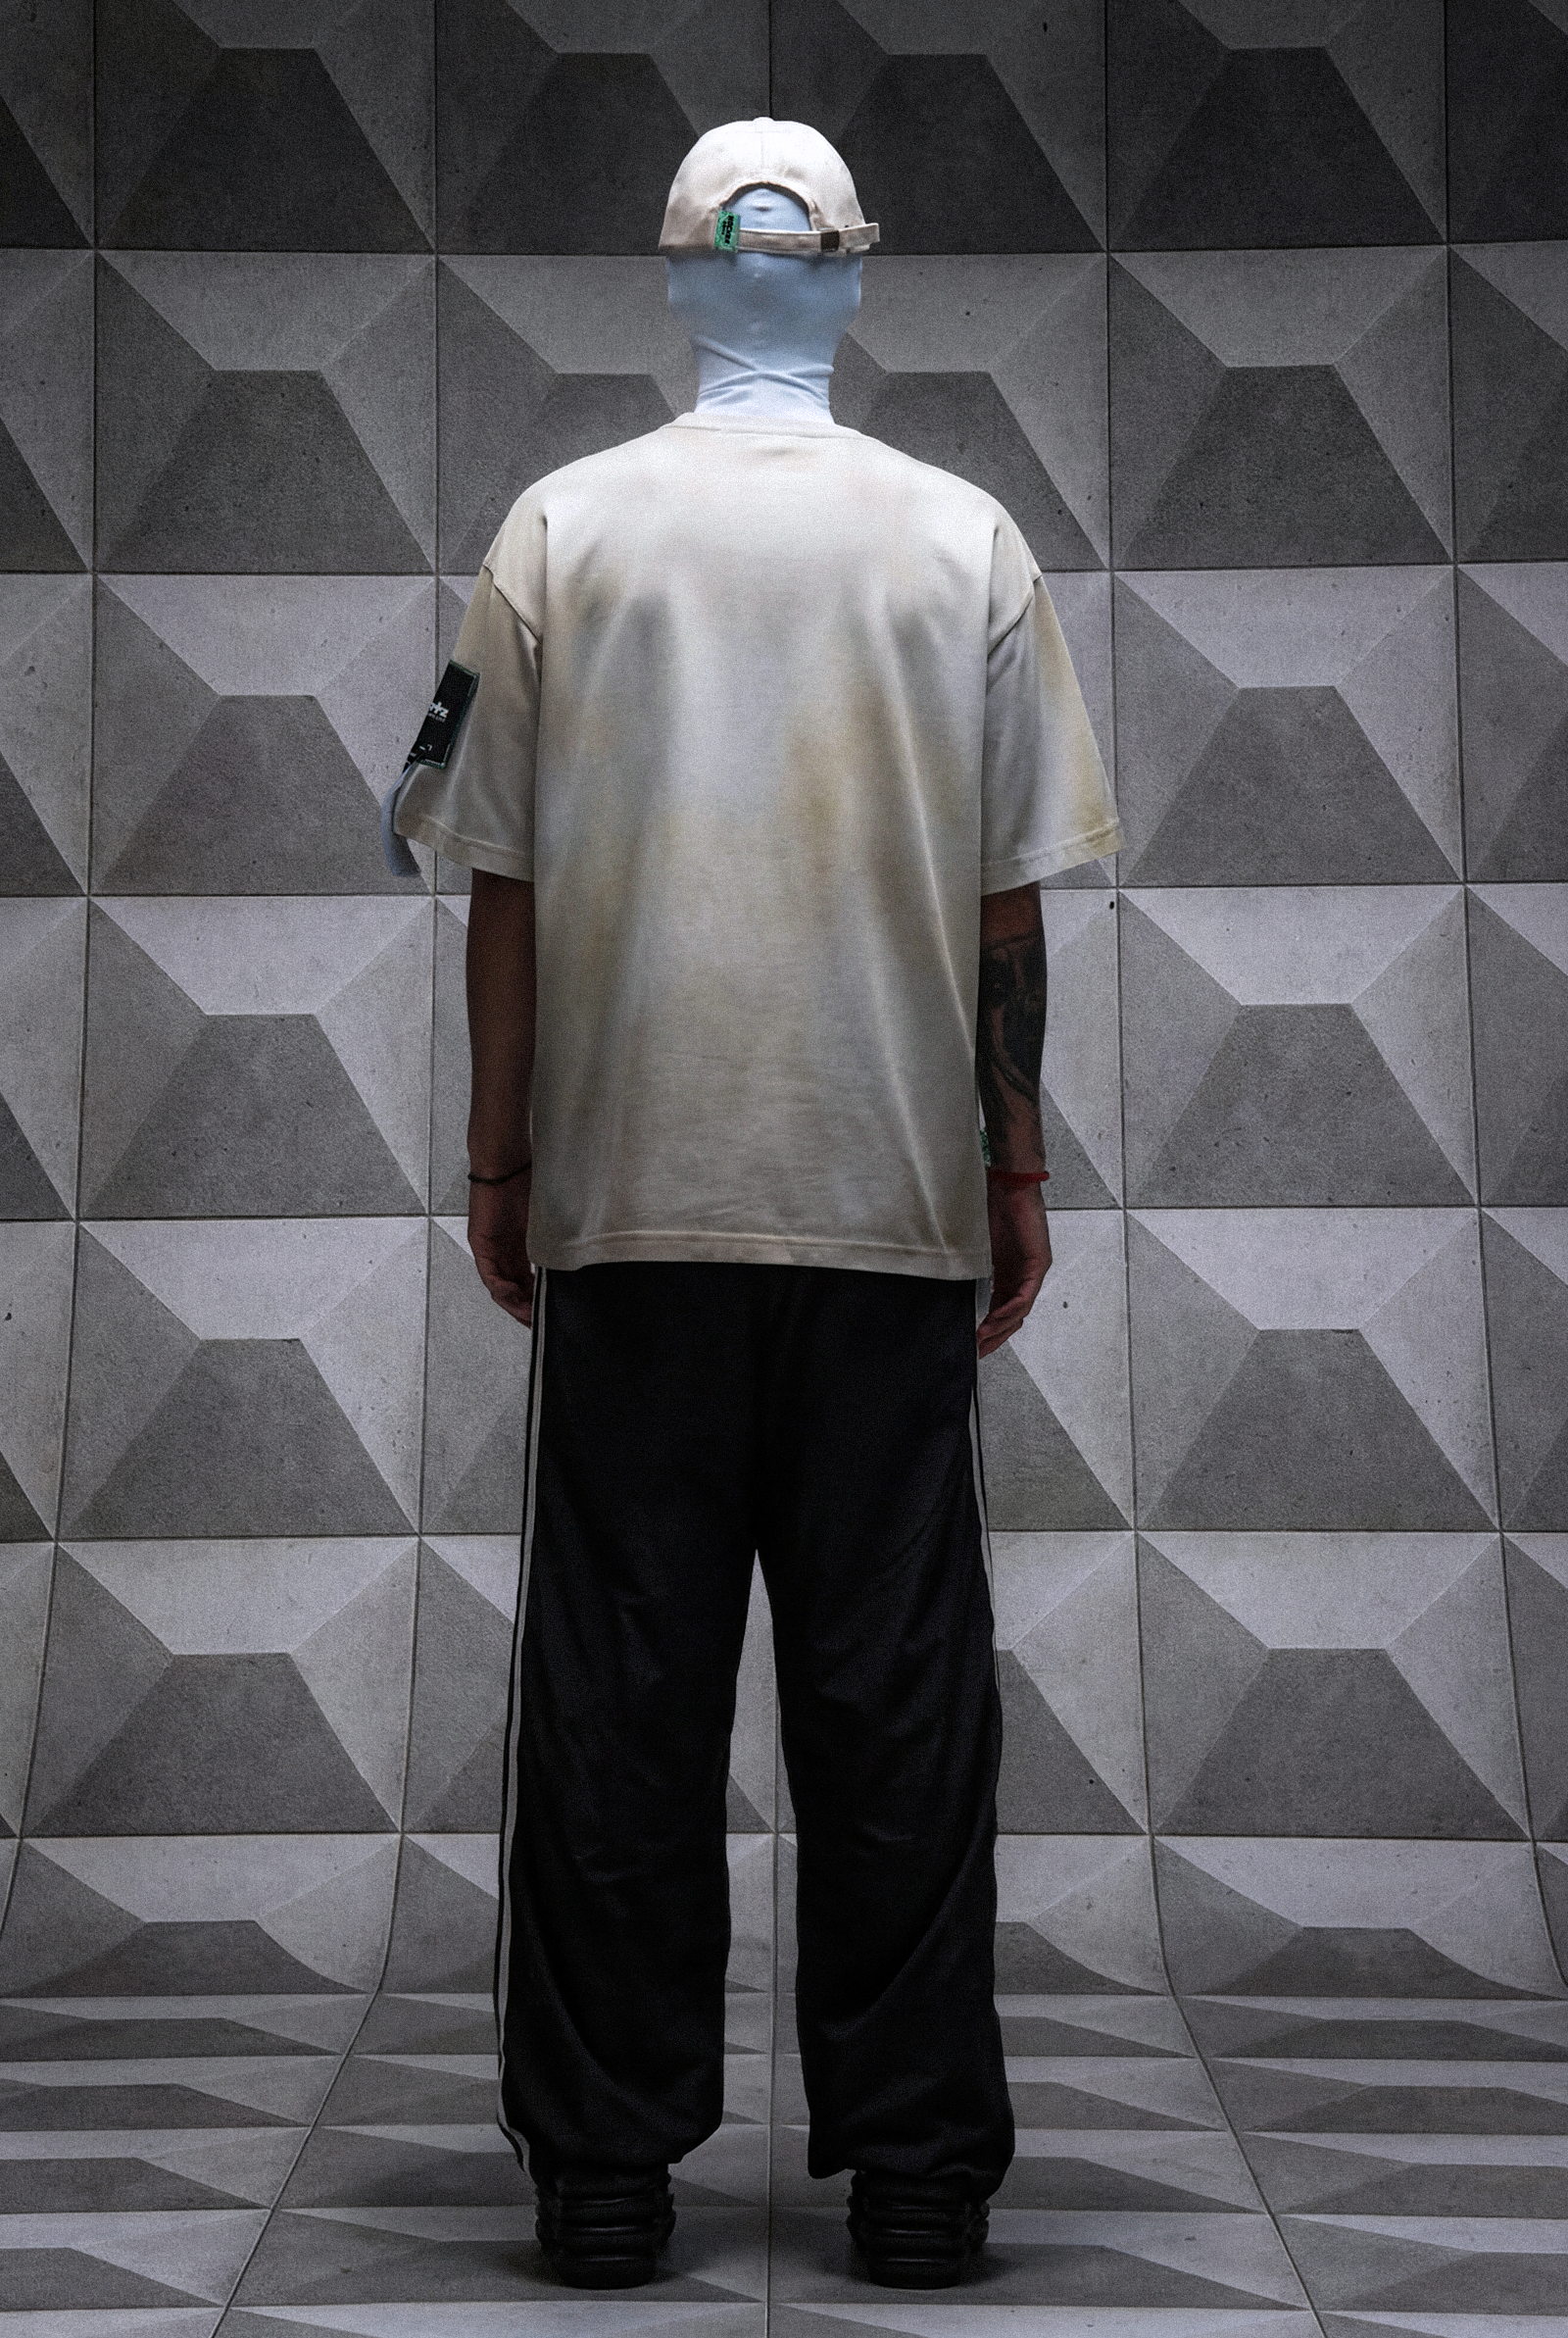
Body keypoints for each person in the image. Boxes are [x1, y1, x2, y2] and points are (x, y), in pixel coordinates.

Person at [385, 119, 1123, 2293]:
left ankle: (604, 2178)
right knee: (896, 1698)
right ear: (852, 277)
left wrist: (502, 1159)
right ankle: (918, 2179)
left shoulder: (560, 528)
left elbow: (500, 887)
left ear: (681, 279)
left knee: (619, 1695)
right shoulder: (962, 538)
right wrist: (1011, 1160)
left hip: (633, 1202)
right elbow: (1005, 902)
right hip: (885, 1202)